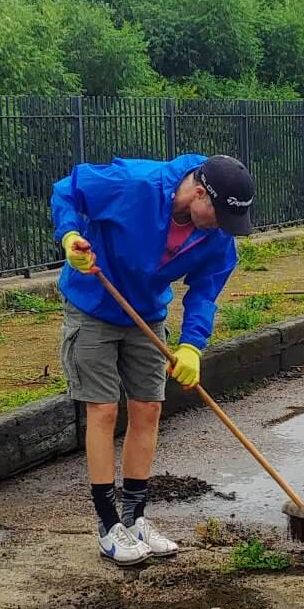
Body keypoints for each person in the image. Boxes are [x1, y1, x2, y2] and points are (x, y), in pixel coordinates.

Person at [53, 153, 254, 567]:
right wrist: (71, 237)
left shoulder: (217, 236)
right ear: (198, 192)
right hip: (94, 303)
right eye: (216, 215)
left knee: (148, 409)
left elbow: (204, 291)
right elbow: (68, 190)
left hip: (146, 313)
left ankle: (135, 517)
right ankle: (108, 525)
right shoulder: (134, 183)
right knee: (104, 410)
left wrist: (192, 346)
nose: (220, 227)